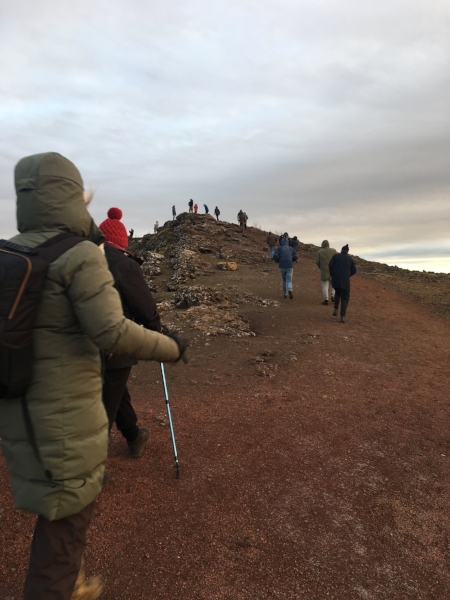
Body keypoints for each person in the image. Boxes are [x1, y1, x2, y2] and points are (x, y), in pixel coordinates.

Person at [0, 152, 186, 600]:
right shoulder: (81, 257)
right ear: (67, 197)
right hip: (65, 418)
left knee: (58, 514)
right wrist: (171, 347)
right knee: (62, 534)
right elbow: (114, 330)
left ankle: (71, 581)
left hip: (21, 410)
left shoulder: (10, 252)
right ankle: (63, 586)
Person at [99, 208, 162, 458]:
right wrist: (157, 331)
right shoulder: (124, 265)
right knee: (104, 404)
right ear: (122, 242)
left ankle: (133, 436)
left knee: (114, 390)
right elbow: (145, 308)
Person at [329, 244, 357, 323]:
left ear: (341, 250)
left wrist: (333, 274)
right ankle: (342, 316)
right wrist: (348, 275)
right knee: (345, 298)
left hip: (336, 280)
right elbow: (354, 270)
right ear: (347, 251)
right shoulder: (350, 259)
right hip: (345, 281)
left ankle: (335, 309)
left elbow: (330, 265)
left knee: (337, 293)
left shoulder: (335, 256)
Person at [316, 240, 337, 305]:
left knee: (325, 285)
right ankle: (333, 296)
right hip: (333, 270)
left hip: (324, 270)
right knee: (332, 284)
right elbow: (336, 260)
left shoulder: (319, 252)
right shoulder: (333, 251)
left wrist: (321, 267)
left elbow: (317, 262)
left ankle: (326, 299)